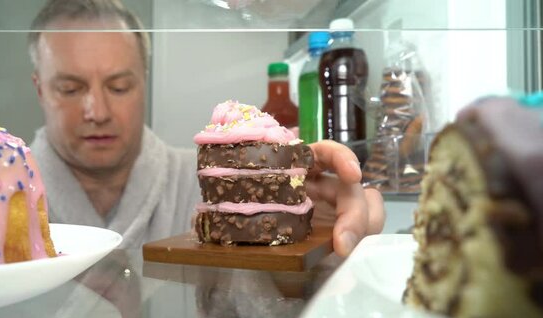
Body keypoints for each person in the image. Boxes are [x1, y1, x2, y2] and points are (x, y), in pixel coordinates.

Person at [27, 0, 385, 256]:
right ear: (40, 89)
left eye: (119, 87)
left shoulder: (213, 185)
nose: (98, 111)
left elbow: (252, 312)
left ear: (143, 81)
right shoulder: (4, 194)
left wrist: (308, 230)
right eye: (70, 89)